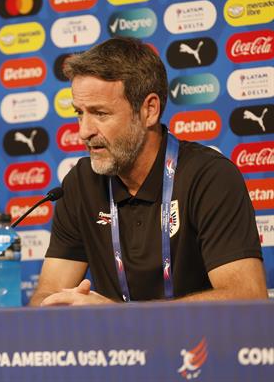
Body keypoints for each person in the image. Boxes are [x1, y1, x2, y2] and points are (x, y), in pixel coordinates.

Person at [29, 37, 267, 306]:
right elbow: (45, 296)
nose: (84, 131)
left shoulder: (209, 177)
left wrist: (119, 317)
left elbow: (247, 298)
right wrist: (57, 307)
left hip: (199, 346)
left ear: (149, 110)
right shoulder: (80, 183)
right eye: (79, 113)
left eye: (101, 114)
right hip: (113, 348)